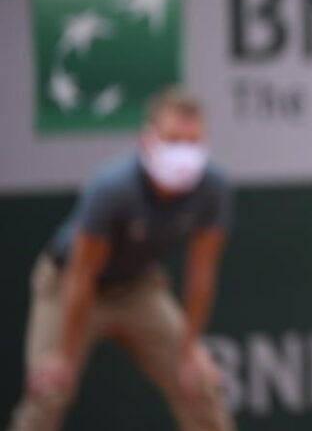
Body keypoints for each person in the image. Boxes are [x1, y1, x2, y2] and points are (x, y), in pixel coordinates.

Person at [8, 88, 234, 431]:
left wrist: (189, 350)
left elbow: (201, 272)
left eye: (193, 141)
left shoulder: (212, 187)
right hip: (69, 287)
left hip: (138, 289)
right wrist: (64, 356)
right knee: (50, 387)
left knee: (197, 382)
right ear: (147, 141)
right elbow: (81, 274)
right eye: (173, 140)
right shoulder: (112, 188)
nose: (183, 152)